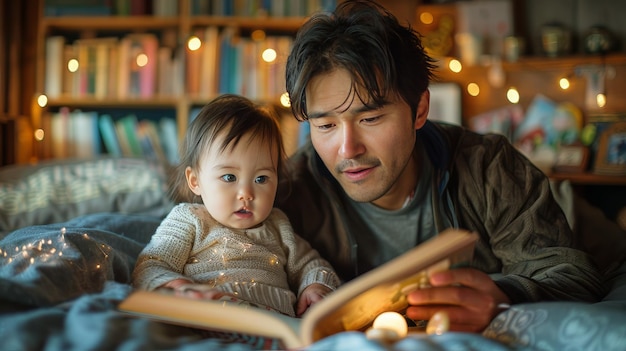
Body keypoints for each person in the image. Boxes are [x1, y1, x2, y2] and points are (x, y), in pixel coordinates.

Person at [276, 0, 606, 331]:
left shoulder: (488, 167)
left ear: (420, 109)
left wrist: (503, 296)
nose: (348, 148)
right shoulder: (292, 189)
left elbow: (573, 275)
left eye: (371, 118)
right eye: (325, 126)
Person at [133, 94, 340, 318]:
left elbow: (311, 265)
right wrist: (176, 286)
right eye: (229, 177)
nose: (246, 194)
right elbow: (152, 262)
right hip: (209, 319)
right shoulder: (189, 218)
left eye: (261, 179)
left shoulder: (279, 225)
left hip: (275, 325)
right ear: (195, 181)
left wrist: (315, 287)